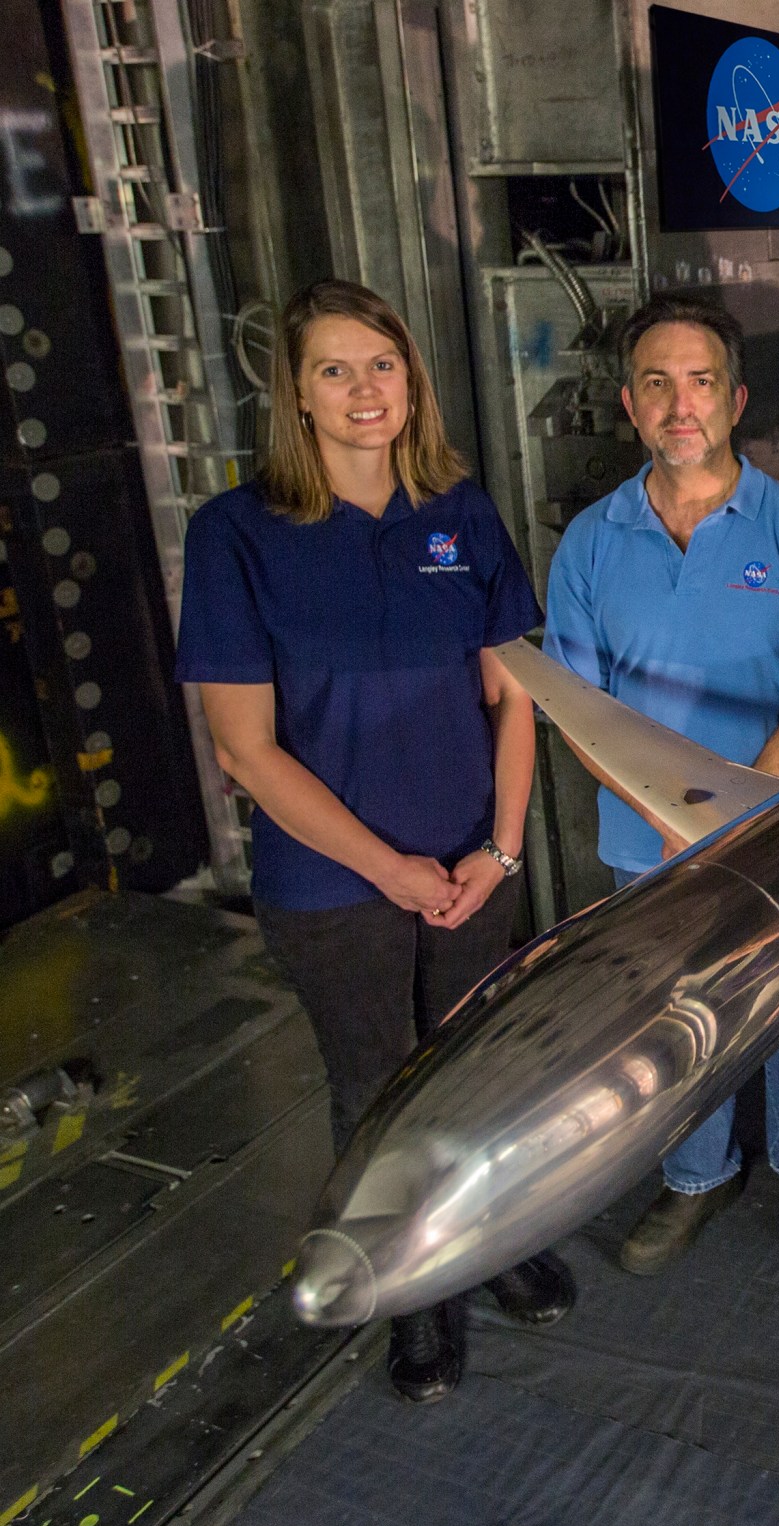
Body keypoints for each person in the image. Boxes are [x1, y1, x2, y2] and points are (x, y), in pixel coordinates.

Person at [176, 278, 573, 1404]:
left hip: (469, 862)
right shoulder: (237, 535)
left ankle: (488, 1247)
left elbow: (513, 699)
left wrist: (497, 853)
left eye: (382, 366)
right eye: (335, 370)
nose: (364, 390)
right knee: (378, 1093)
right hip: (332, 884)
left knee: (478, 1073)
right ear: (296, 396)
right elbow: (248, 751)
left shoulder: (460, 512)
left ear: (412, 383)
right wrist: (388, 867)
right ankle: (416, 1298)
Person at [546, 294, 779, 1274]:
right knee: (670, 1019)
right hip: (647, 846)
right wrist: (668, 816)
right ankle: (696, 1173)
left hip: (776, 835)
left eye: (698, 383)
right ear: (628, 403)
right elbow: (577, 711)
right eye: (656, 384)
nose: (678, 405)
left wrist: (729, 813)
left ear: (733, 400)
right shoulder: (589, 546)